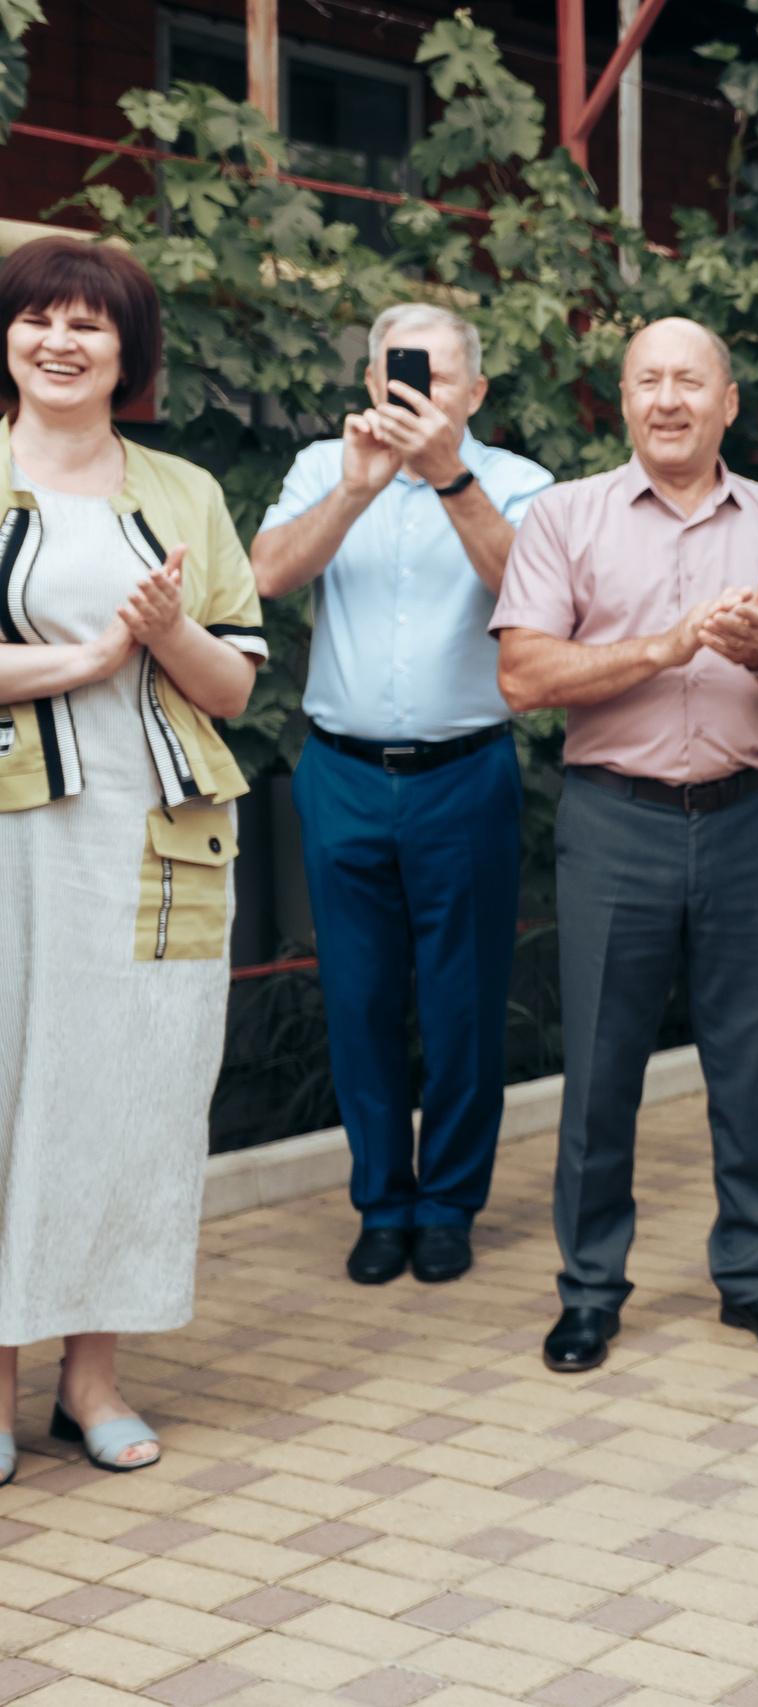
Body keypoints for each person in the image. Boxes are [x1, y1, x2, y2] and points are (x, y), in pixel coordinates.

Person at [491, 316, 758, 1375]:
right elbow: (523, 677)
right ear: (622, 399)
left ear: (727, 403)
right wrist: (668, 645)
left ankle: (755, 1280)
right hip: (615, 818)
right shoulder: (566, 517)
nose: (668, 399)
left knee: (748, 1062)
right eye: (648, 380)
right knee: (600, 1068)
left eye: (689, 382)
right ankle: (590, 1291)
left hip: (747, 814)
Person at [0, 237, 267, 1479]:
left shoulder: (183, 492)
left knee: (122, 1093)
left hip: (149, 838)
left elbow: (237, 688)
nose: (61, 341)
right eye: (38, 319)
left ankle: (91, 1381)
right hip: (11, 831)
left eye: (89, 326)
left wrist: (162, 639)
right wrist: (86, 661)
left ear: (127, 354)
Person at [253, 303, 553, 1289]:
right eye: (392, 372)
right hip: (340, 772)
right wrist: (354, 491)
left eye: (430, 374)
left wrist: (447, 480)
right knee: (359, 997)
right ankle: (382, 1201)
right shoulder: (319, 465)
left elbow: (535, 596)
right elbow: (265, 577)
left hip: (463, 771)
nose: (409, 389)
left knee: (464, 1001)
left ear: (474, 392)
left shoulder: (519, 483)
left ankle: (450, 1203)